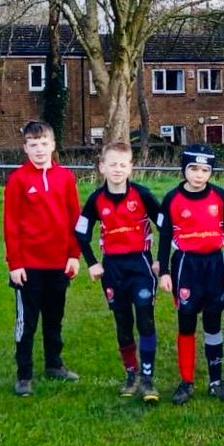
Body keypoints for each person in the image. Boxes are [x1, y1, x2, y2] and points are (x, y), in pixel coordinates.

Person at [75, 141, 162, 402]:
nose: (117, 169)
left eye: (123, 165)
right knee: (123, 322)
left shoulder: (143, 195)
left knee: (145, 318)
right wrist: (92, 262)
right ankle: (131, 373)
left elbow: (165, 226)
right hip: (112, 268)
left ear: (131, 168)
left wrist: (162, 262)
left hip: (141, 266)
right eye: (112, 164)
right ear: (102, 167)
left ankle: (147, 378)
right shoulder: (95, 200)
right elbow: (81, 232)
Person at [156, 143, 224, 405]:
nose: (199, 175)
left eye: (205, 170)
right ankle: (186, 381)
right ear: (184, 169)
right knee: (186, 322)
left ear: (211, 172)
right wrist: (164, 271)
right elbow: (164, 237)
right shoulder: (172, 198)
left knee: (213, 323)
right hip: (186, 266)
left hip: (215, 265)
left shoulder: (220, 197)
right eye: (193, 168)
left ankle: (216, 381)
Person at [3, 120, 82, 396]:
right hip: (29, 267)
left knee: (54, 318)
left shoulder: (66, 178)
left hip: (59, 263)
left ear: (53, 145)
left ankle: (54, 364)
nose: (39, 150)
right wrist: (15, 263)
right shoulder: (18, 180)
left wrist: (74, 255)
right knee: (27, 323)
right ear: (25, 148)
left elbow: (75, 219)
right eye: (33, 145)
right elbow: (10, 224)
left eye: (44, 144)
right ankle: (24, 373)